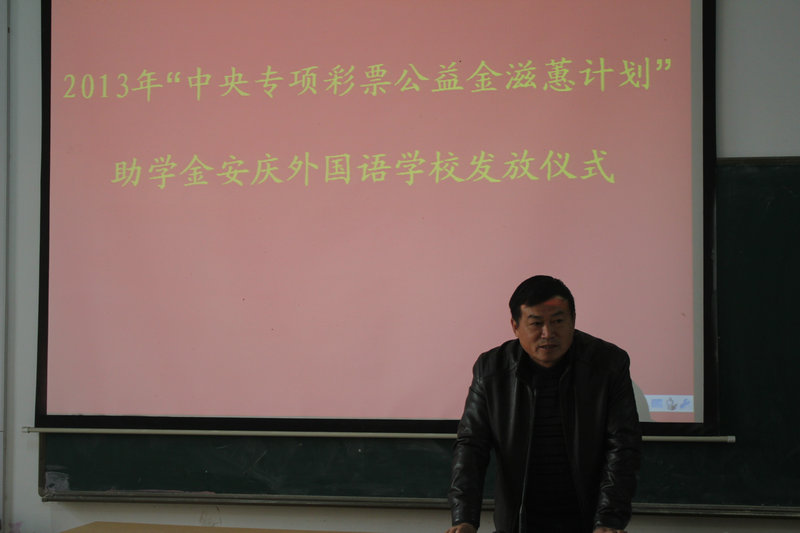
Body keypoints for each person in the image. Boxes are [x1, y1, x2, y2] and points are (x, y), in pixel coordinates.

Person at [447, 275, 642, 533]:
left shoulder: (608, 364)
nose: (548, 334)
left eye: (558, 321)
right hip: (518, 523)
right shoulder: (491, 369)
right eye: (536, 323)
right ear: (515, 326)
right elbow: (472, 446)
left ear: (573, 320)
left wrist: (608, 520)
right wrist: (464, 519)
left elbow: (623, 445)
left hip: (588, 521)